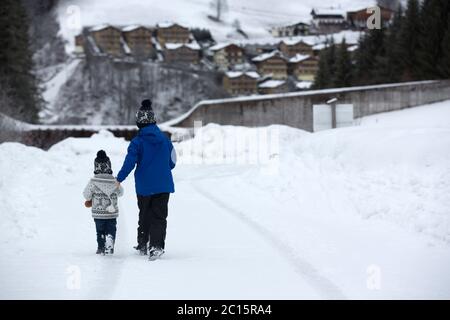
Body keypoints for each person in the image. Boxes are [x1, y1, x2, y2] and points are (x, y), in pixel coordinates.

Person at [116, 99, 176, 261]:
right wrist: (162, 169)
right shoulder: (165, 140)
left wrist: (119, 179)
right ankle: (156, 247)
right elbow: (173, 162)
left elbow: (129, 163)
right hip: (163, 185)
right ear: (153, 120)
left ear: (139, 123)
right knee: (159, 217)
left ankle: (143, 243)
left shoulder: (137, 142)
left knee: (144, 214)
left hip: (144, 187)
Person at [83, 150, 124, 255]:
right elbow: (121, 193)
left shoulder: (93, 181)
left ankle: (101, 247)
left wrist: (91, 197)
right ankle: (110, 239)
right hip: (112, 212)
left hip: (98, 213)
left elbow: (86, 194)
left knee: (99, 231)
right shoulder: (114, 181)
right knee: (111, 229)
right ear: (109, 166)